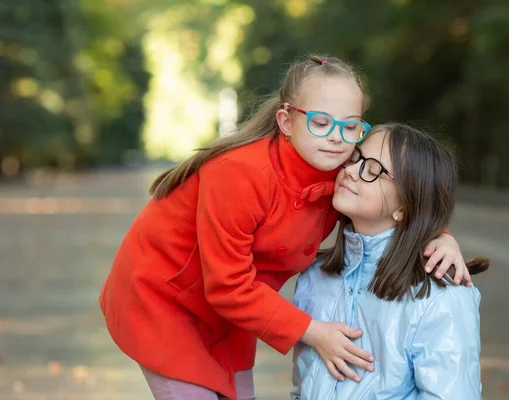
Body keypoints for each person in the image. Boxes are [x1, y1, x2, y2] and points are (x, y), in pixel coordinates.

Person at [99, 55, 470, 400]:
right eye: (321, 123)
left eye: (350, 127)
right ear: (286, 122)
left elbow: (396, 198)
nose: (337, 138)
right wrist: (313, 331)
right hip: (166, 299)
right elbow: (227, 284)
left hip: (236, 310)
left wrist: (439, 236)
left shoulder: (338, 176)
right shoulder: (239, 174)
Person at [292, 123, 484, 399]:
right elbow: (303, 384)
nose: (350, 171)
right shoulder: (315, 275)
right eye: (355, 158)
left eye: (373, 170)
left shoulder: (440, 296)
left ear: (404, 206)